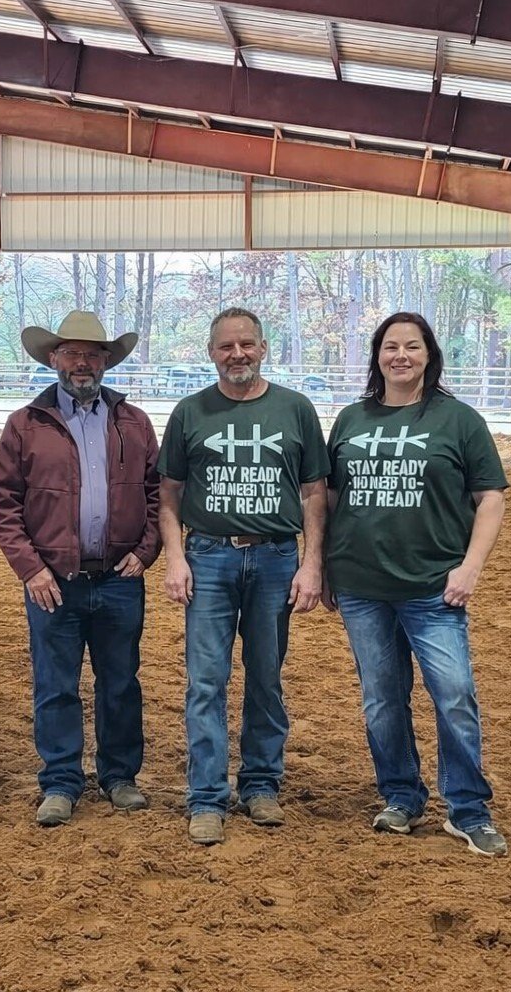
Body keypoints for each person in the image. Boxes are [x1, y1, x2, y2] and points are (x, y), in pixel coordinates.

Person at [323, 312, 510, 857]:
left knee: (453, 695)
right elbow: (332, 499)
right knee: (382, 698)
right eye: (389, 346)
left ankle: (468, 808)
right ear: (376, 355)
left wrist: (470, 565)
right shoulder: (351, 419)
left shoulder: (459, 420)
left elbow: (490, 497)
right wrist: (327, 566)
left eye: (411, 346)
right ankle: (401, 795)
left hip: (434, 585)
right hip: (361, 584)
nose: (399, 356)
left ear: (429, 354)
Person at [158, 308, 328, 845]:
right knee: (206, 681)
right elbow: (168, 495)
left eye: (247, 344)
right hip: (208, 557)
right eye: (227, 346)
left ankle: (260, 785)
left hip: (276, 557)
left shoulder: (296, 410)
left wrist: (312, 561)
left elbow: (315, 493)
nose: (238, 354)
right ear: (211, 352)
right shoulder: (190, 412)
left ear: (263, 348)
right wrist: (175, 556)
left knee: (266, 677)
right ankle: (206, 795)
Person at [0, 311, 161, 827]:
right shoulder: (24, 425)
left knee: (121, 681)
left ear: (106, 361)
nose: (81, 363)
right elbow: (3, 502)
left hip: (119, 577)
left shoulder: (135, 422)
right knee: (55, 683)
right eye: (71, 353)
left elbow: (158, 493)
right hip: (53, 582)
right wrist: (30, 569)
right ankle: (61, 780)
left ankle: (119, 775)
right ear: (53, 359)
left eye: (92, 354)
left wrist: (146, 550)